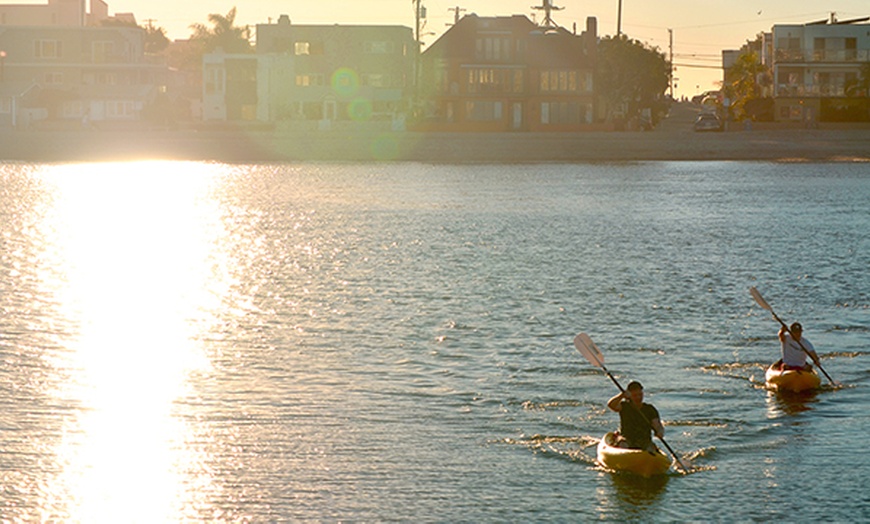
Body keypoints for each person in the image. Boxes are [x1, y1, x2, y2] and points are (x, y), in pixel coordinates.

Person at [606, 381, 664, 452]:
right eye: (635, 395)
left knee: (650, 449)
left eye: (640, 394)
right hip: (627, 438)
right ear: (630, 396)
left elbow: (657, 424)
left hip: (644, 441)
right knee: (623, 445)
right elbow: (611, 405)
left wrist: (660, 431)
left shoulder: (650, 409)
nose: (638, 397)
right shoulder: (624, 406)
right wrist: (622, 395)